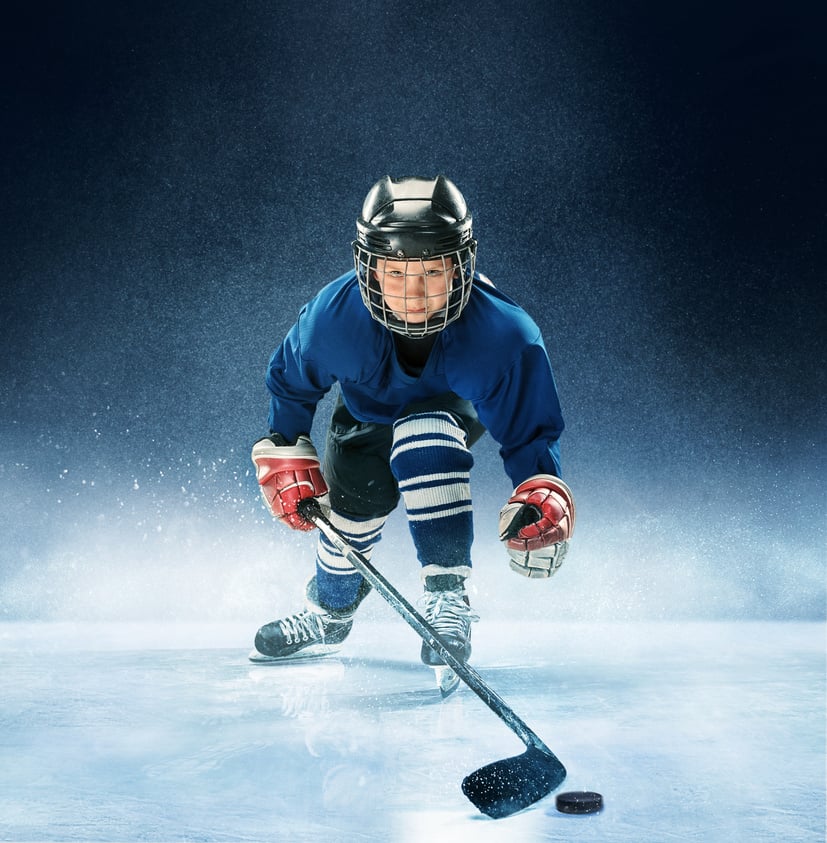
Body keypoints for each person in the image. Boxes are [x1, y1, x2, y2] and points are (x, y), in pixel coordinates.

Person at [249, 175, 575, 690]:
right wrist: (287, 445)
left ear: (461, 267)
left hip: (446, 415)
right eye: (396, 274)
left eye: (432, 272)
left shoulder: (503, 336)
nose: (415, 294)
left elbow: (529, 433)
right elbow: (291, 382)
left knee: (426, 432)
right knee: (351, 517)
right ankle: (329, 615)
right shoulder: (332, 321)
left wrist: (539, 491)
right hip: (362, 422)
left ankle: (447, 598)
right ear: (369, 270)